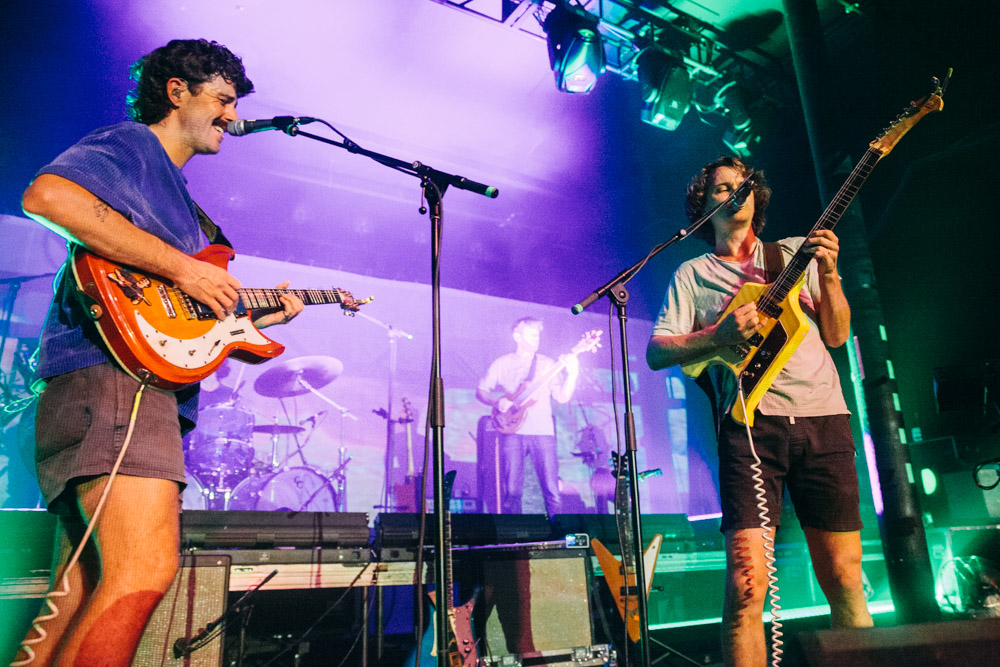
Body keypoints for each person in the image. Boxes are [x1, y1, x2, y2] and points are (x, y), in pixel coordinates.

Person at [13, 39, 304, 666]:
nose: (233, 116)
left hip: (120, 390)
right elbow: (47, 198)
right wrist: (185, 268)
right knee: (142, 572)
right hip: (116, 385)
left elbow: (168, 311)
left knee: (85, 590)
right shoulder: (134, 146)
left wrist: (245, 317)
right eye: (222, 99)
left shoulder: (181, 200)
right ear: (177, 92)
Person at [646, 157, 872, 666]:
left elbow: (837, 335)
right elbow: (658, 351)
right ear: (704, 205)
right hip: (750, 428)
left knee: (844, 576)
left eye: (744, 183)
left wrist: (830, 275)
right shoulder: (693, 273)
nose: (736, 190)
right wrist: (718, 336)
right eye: (721, 187)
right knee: (747, 585)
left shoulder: (792, 253)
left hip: (824, 419)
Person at [476, 317, 579, 516]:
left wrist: (573, 373)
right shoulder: (502, 363)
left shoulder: (548, 364)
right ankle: (513, 538)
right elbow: (481, 391)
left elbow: (562, 397)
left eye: (538, 334)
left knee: (552, 490)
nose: (536, 338)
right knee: (512, 491)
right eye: (531, 334)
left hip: (543, 433)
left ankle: (556, 534)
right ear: (517, 336)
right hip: (512, 431)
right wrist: (497, 402)